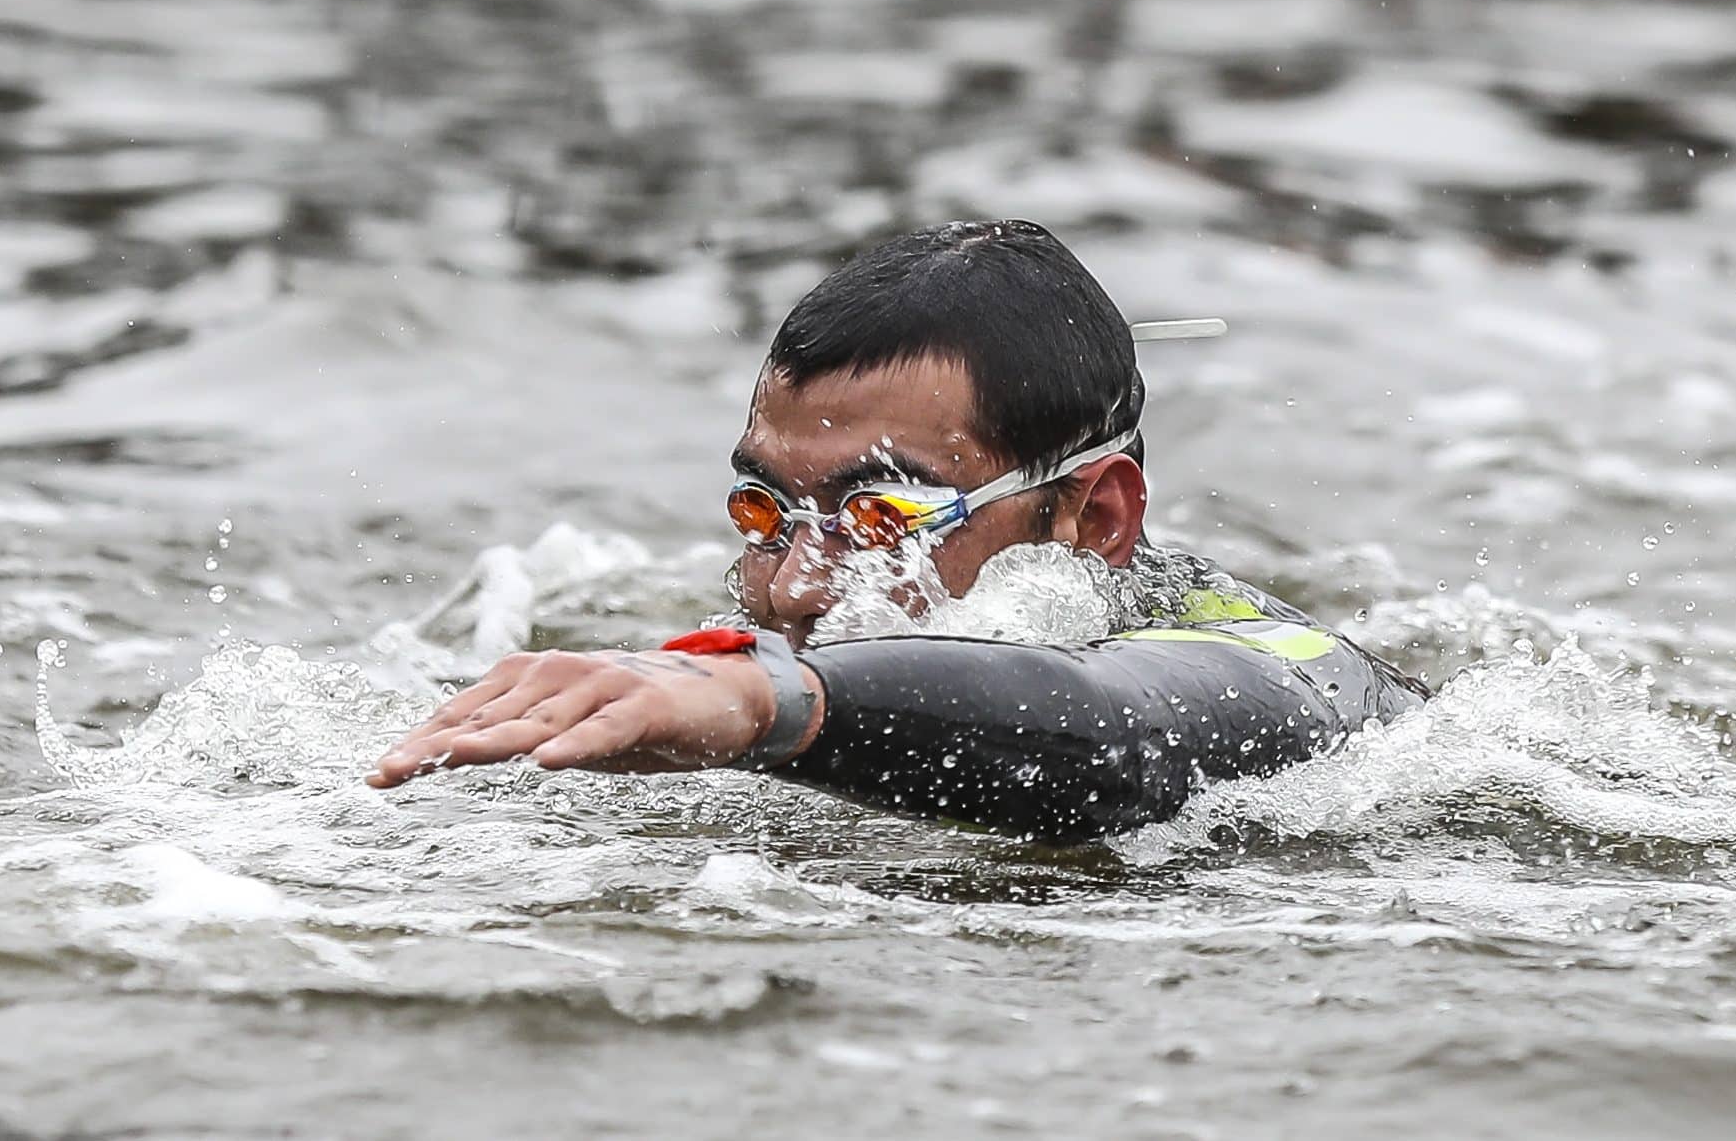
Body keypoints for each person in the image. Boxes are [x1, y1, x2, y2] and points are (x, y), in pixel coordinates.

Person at [367, 220, 1428, 840]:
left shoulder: (1270, 671)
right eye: (765, 510)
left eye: (883, 517)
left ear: (1093, 516)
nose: (791, 587)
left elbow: (1110, 730)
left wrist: (758, 698)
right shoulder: (758, 646)